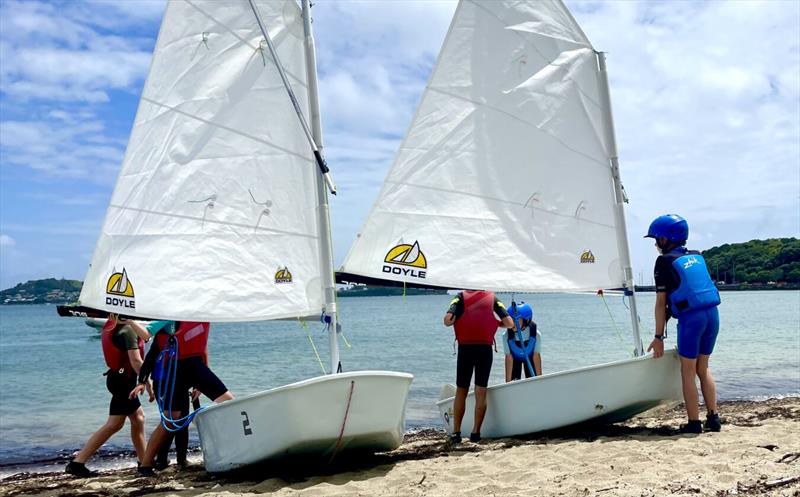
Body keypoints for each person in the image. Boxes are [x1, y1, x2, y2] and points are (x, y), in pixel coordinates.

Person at [644, 214, 722, 434]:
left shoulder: (663, 262)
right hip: (712, 315)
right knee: (703, 368)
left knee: (687, 370)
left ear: (665, 239)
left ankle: (694, 423)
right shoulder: (698, 256)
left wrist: (658, 337)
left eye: (656, 239)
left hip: (691, 320)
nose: (656, 244)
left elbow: (661, 304)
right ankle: (713, 418)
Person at [131, 321, 234, 476]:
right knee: (171, 418)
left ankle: (241, 443)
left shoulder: (198, 314)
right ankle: (147, 465)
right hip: (172, 371)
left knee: (230, 403)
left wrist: (201, 381)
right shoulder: (168, 315)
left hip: (196, 367)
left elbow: (202, 347)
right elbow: (150, 347)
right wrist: (142, 381)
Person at [65, 314, 151, 477]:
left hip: (116, 378)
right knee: (115, 424)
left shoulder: (111, 325)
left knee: (138, 418)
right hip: (125, 382)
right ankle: (77, 463)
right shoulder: (128, 331)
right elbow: (136, 361)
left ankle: (144, 462)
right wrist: (147, 382)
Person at [443, 290, 515, 443]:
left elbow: (448, 320)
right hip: (484, 350)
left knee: (461, 390)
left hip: (465, 350)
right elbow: (510, 323)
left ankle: (456, 433)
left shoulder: (460, 297)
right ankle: (476, 433)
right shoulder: (493, 298)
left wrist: (459, 316)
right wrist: (496, 323)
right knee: (480, 391)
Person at [132, 321, 194, 470]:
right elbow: (150, 358)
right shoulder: (164, 328)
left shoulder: (185, 325)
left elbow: (196, 354)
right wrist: (142, 381)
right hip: (165, 382)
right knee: (170, 421)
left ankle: (181, 460)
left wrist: (197, 382)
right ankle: (161, 459)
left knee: (183, 421)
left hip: (181, 380)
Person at [502, 302, 542, 381]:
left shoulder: (536, 334)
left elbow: (536, 356)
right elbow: (509, 358)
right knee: (513, 381)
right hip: (514, 359)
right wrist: (507, 383)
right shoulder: (506, 336)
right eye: (511, 319)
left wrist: (540, 379)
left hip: (530, 358)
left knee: (533, 380)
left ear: (526, 320)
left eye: (516, 319)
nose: (512, 323)